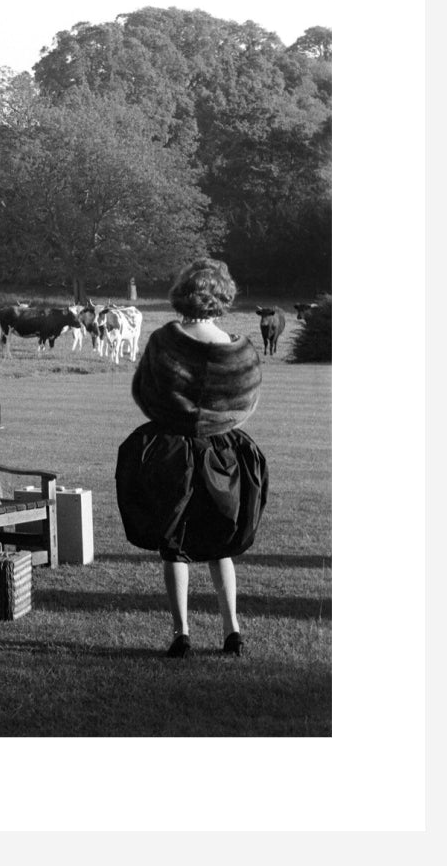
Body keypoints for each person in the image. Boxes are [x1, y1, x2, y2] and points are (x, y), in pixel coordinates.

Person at [115, 258, 268, 659]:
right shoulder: (242, 350)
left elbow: (144, 391)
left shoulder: (166, 340)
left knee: (174, 544)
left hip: (172, 452)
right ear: (223, 296)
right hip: (223, 452)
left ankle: (181, 633)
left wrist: (176, 416)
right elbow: (247, 403)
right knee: (220, 543)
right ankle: (231, 630)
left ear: (183, 293)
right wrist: (217, 422)